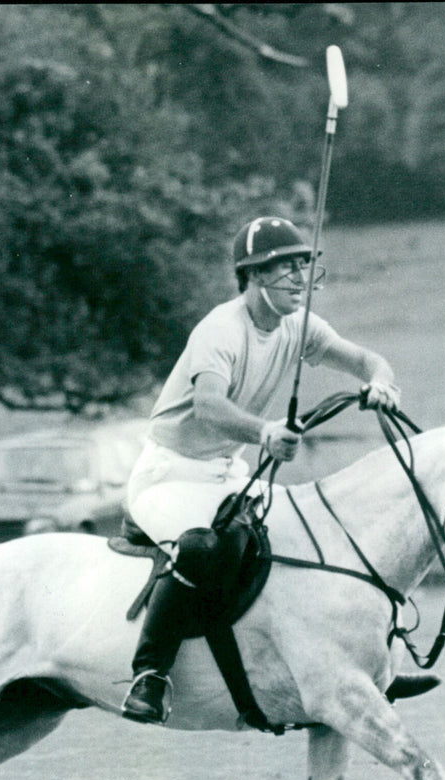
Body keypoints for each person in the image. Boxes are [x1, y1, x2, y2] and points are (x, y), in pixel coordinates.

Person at [121, 215, 401, 724]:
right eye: (284, 267)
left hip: (224, 471)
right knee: (203, 548)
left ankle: (350, 665)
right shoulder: (220, 330)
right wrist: (265, 432)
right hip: (168, 473)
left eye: (302, 265)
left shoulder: (300, 325)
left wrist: (381, 381)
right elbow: (209, 405)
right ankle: (150, 674)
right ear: (251, 276)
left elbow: (365, 360)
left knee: (296, 539)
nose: (299, 277)